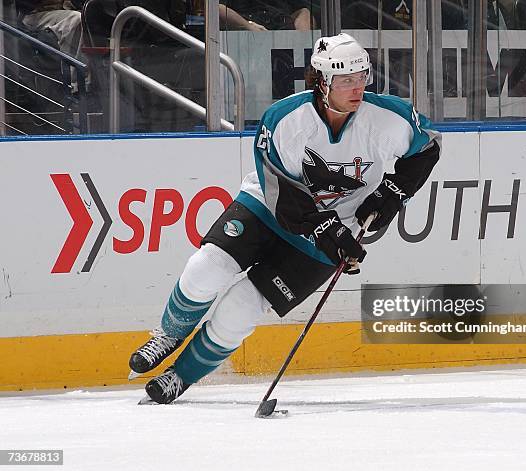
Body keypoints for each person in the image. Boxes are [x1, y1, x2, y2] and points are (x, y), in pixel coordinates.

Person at [129, 32, 442, 405]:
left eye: (362, 77)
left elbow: (428, 146)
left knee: (241, 308)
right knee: (206, 268)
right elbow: (279, 190)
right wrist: (324, 226)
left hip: (338, 231)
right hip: (268, 209)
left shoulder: (389, 117)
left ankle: (180, 376)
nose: (357, 88)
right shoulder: (284, 119)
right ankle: (167, 335)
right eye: (345, 80)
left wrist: (392, 193)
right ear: (322, 81)